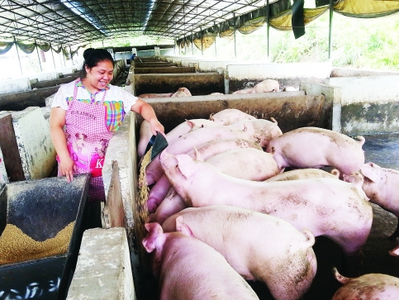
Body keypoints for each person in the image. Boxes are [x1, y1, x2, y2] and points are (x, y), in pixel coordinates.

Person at [50, 48, 164, 225]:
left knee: (104, 202)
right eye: (101, 72)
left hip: (102, 162)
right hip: (73, 161)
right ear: (88, 69)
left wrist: (153, 121)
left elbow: (142, 106)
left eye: (110, 73)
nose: (106, 77)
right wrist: (64, 158)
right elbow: (56, 126)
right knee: (73, 201)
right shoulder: (68, 91)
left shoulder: (116, 94)